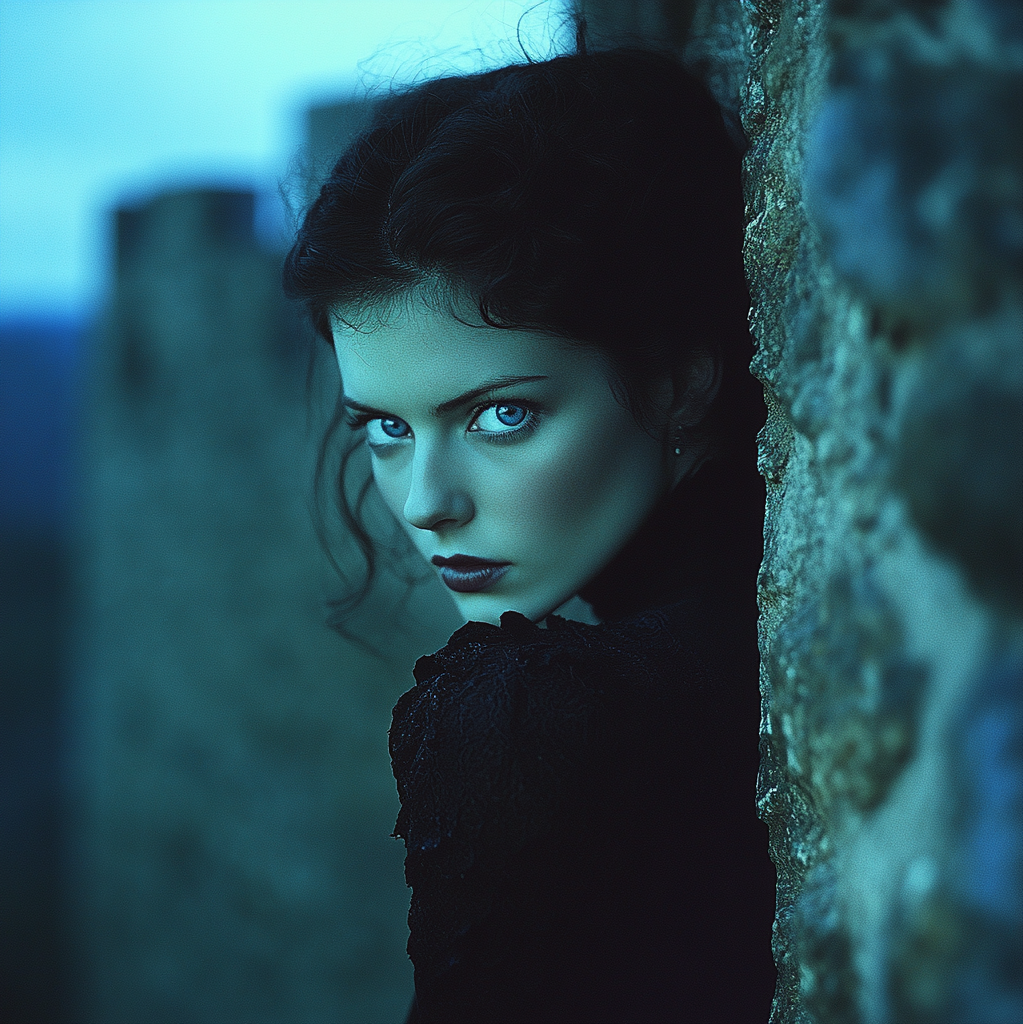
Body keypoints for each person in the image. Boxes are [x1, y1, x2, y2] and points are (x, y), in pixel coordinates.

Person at [283, 30, 776, 1024]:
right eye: (384, 428)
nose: (428, 501)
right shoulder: (764, 629)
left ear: (680, 378)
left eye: (500, 414)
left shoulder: (522, 725)